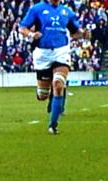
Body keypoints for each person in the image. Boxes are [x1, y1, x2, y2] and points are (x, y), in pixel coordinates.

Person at [19, 0, 90, 134]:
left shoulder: (67, 11)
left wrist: (84, 34)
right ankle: (45, 91)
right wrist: (31, 34)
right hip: (42, 54)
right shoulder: (37, 9)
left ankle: (53, 125)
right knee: (42, 96)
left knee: (58, 84)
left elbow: (75, 32)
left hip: (61, 52)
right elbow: (22, 27)